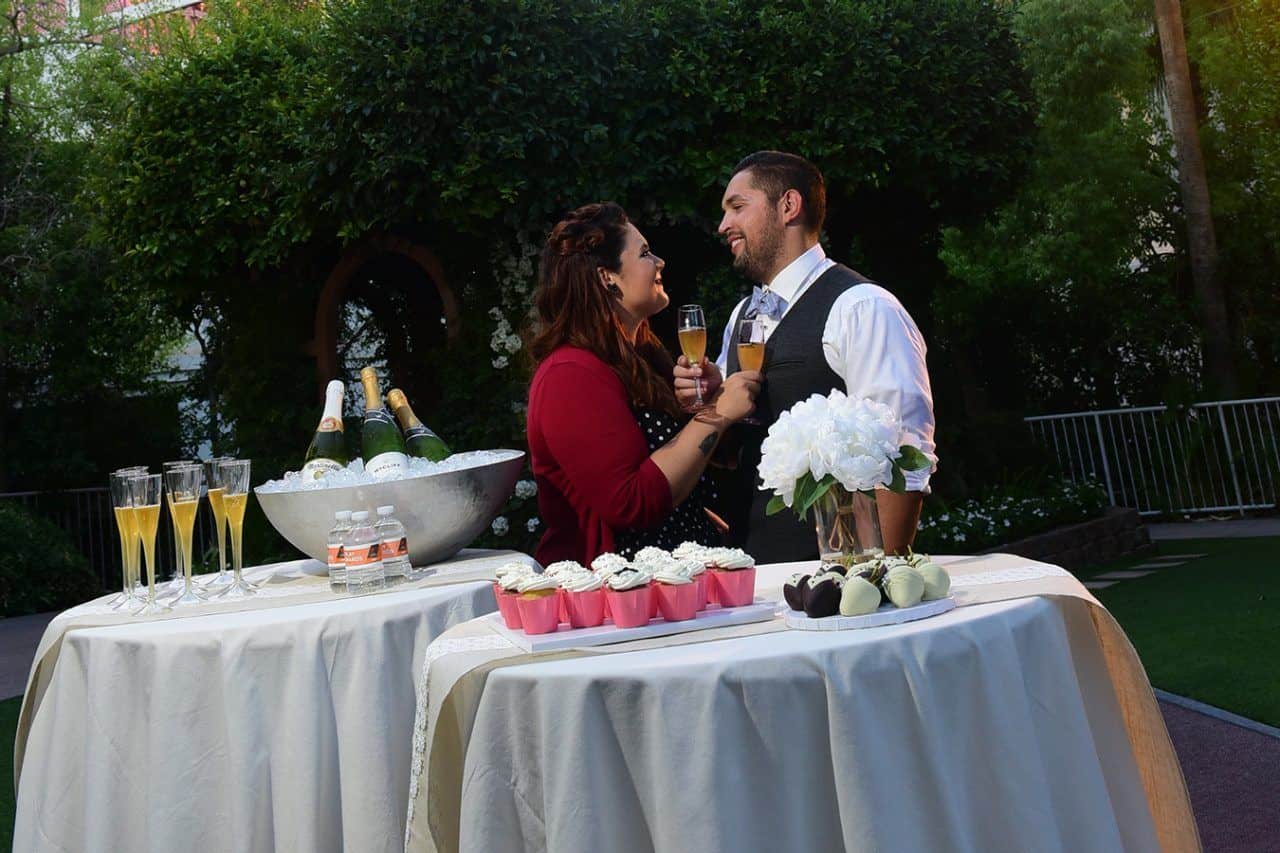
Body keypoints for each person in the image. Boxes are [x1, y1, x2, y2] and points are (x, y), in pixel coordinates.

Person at [674, 151, 937, 562]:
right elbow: (731, 453)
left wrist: (876, 584)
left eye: (737, 207)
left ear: (789, 206)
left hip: (833, 581)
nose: (724, 225)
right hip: (753, 574)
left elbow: (905, 457)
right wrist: (707, 403)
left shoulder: (862, 307)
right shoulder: (742, 316)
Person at [526, 202, 762, 566]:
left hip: (678, 578)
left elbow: (695, 459)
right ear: (607, 277)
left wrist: (706, 400)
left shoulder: (642, 354)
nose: (660, 262)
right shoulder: (569, 374)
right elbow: (629, 502)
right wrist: (715, 414)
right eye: (645, 253)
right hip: (621, 596)